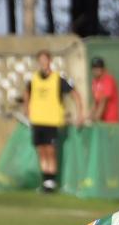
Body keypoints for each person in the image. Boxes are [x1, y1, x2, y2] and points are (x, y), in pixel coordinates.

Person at [25, 50, 85, 193]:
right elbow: (26, 92)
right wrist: (26, 108)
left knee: (50, 150)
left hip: (51, 121)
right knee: (41, 150)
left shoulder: (58, 79)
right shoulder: (34, 78)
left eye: (45, 59)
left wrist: (80, 113)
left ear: (49, 61)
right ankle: (45, 180)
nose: (43, 63)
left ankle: (51, 181)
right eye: (40, 60)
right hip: (37, 120)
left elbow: (75, 94)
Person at [89, 57, 119, 124]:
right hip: (102, 121)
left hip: (111, 120)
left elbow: (103, 100)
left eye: (98, 68)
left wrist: (96, 117)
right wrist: (89, 116)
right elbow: (95, 102)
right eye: (94, 68)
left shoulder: (108, 80)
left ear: (103, 69)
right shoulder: (95, 82)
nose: (95, 70)